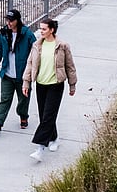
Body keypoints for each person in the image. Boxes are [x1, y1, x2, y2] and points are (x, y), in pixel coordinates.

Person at [22, 18, 77, 162]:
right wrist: (26, 83)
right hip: (41, 84)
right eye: (40, 29)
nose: (41, 31)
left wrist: (72, 85)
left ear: (52, 30)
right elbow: (30, 64)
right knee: (44, 116)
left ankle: (40, 148)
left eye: (44, 29)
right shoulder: (36, 45)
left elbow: (70, 66)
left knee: (48, 116)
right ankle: (54, 138)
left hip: (55, 85)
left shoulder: (62, 46)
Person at [0, 9, 36, 133]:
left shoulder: (27, 34)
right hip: (7, 74)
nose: (8, 23)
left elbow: (36, 51)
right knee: (5, 98)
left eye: (11, 20)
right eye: (7, 20)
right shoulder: (3, 34)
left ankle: (23, 116)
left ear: (17, 20)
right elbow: (0, 49)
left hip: (23, 74)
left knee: (23, 99)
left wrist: (34, 69)